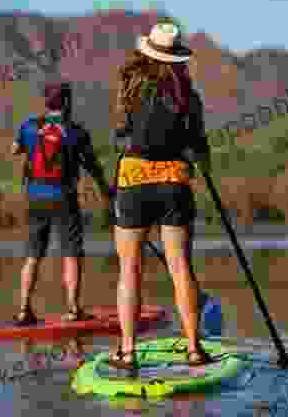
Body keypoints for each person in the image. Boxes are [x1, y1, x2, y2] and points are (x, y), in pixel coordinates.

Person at [109, 22, 213, 368]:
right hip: (174, 180)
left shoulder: (129, 86)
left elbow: (122, 130)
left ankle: (127, 351)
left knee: (130, 269)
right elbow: (199, 146)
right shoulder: (190, 95)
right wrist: (204, 169)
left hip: (134, 179)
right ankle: (195, 348)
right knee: (181, 266)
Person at [11, 80, 111, 324]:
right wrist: (105, 190)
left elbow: (14, 149)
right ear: (66, 102)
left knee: (33, 255)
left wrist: (29, 143)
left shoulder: (29, 127)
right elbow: (92, 165)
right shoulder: (76, 131)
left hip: (35, 198)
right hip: (64, 199)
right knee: (71, 255)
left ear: (46, 102)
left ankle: (24, 310)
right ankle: (73, 310)